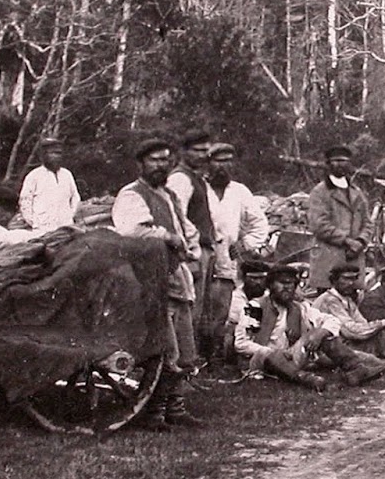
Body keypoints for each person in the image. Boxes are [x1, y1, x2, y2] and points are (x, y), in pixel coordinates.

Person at [111, 138, 203, 428]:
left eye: (165, 160)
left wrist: (190, 247)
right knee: (166, 349)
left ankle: (175, 408)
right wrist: (169, 238)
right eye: (154, 160)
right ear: (141, 164)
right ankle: (154, 413)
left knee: (186, 349)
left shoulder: (170, 195)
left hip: (176, 276)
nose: (160, 165)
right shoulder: (131, 195)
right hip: (148, 281)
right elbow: (134, 230)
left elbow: (187, 229)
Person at [232, 265, 385, 389]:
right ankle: (307, 379)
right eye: (282, 283)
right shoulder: (255, 307)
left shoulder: (299, 308)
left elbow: (332, 320)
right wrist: (271, 352)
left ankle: (354, 370)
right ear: (271, 285)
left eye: (291, 284)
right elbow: (241, 344)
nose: (287, 288)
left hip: (291, 357)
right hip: (261, 362)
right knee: (274, 355)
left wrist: (320, 333)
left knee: (322, 333)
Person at [204, 142, 270, 368]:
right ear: (208, 163)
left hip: (226, 260)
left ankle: (214, 358)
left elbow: (260, 224)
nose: (223, 167)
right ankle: (190, 359)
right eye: (218, 161)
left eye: (228, 161)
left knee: (221, 310)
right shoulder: (197, 189)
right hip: (198, 257)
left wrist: (245, 244)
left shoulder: (240, 192)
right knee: (193, 309)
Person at [166, 130, 218, 366]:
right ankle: (181, 362)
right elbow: (178, 218)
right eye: (197, 150)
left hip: (205, 250)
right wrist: (193, 253)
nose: (202, 155)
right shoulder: (180, 179)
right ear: (183, 152)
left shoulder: (197, 177)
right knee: (188, 310)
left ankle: (191, 361)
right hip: (191, 252)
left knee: (198, 309)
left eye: (206, 151)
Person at [306, 145, 374, 292]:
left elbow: (368, 222)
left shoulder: (357, 192)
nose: (340, 165)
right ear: (328, 164)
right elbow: (319, 224)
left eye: (344, 161)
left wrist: (361, 241)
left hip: (354, 258)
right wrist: (347, 241)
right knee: (328, 302)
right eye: (336, 161)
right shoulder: (320, 192)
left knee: (353, 301)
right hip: (329, 258)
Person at [18, 138, 80, 232]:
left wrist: (70, 215)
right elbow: (25, 202)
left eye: (59, 153)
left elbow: (75, 197)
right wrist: (35, 222)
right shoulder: (34, 176)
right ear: (44, 156)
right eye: (53, 153)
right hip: (43, 229)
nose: (56, 157)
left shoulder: (66, 174)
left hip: (65, 226)